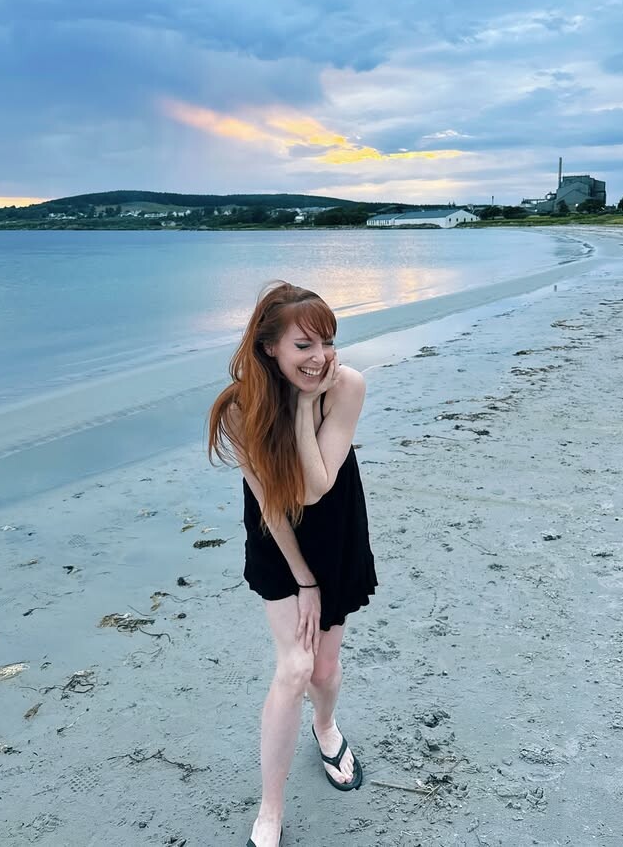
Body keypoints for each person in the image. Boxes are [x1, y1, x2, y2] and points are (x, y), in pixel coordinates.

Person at [208, 281, 378, 847]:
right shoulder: (240, 409)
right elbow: (275, 505)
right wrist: (304, 581)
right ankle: (270, 809)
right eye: (303, 345)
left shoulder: (346, 386)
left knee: (324, 672)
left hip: (335, 534)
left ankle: (325, 726)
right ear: (269, 348)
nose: (320, 357)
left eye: (326, 341)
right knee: (295, 669)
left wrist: (306, 404)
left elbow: (315, 486)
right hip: (279, 541)